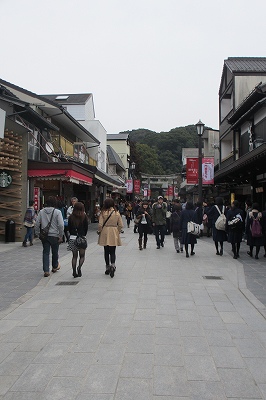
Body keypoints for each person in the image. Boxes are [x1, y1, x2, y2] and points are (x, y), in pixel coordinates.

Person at [35, 196, 64, 277]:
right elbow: (61, 225)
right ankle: (55, 266)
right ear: (54, 203)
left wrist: (37, 234)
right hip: (55, 235)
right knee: (55, 252)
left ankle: (46, 270)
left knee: (45, 252)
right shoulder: (57, 212)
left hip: (45, 236)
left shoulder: (41, 212)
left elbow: (37, 224)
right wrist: (60, 235)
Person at [98, 198, 123, 278]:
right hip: (113, 231)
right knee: (113, 250)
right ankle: (113, 265)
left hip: (105, 231)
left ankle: (107, 267)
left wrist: (100, 231)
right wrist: (117, 231)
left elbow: (100, 224)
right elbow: (121, 225)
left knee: (106, 250)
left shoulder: (103, 213)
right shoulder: (116, 212)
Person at [67, 202, 89, 278]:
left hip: (73, 238)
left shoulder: (70, 217)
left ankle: (73, 271)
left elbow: (69, 228)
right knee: (82, 256)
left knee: (74, 256)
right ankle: (79, 267)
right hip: (82, 238)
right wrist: (83, 235)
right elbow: (86, 228)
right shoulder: (84, 217)